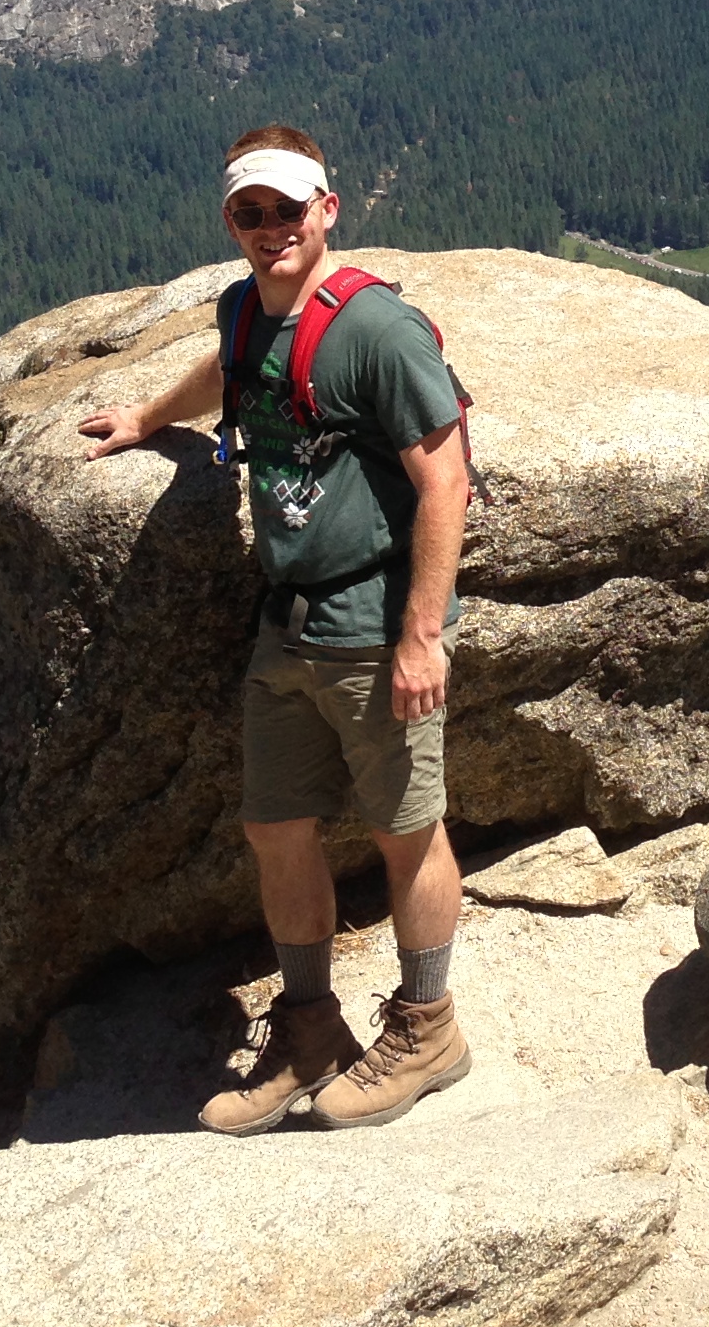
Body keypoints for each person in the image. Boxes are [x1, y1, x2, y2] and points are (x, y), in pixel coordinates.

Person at [75, 124, 476, 1134]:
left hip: (373, 624)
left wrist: (421, 635)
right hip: (288, 624)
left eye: (288, 209)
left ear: (326, 209)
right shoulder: (245, 309)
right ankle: (308, 1030)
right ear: (231, 222)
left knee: (405, 832)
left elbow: (446, 479)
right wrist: (146, 416)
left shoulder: (379, 332)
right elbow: (230, 370)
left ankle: (429, 1028)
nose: (270, 229)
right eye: (248, 213)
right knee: (275, 830)